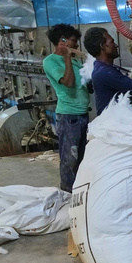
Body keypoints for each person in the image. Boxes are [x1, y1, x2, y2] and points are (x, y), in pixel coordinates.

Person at [42, 24, 90, 192]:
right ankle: (67, 194)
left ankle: (80, 193)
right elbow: (68, 83)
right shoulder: (50, 61)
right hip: (69, 117)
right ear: (62, 41)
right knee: (70, 159)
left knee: (82, 158)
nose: (76, 44)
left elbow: (87, 86)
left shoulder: (76, 61)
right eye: (73, 41)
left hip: (83, 115)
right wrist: (67, 58)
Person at [82, 27, 132, 115]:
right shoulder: (105, 73)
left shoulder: (103, 69)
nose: (116, 45)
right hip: (111, 121)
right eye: (112, 42)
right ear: (103, 46)